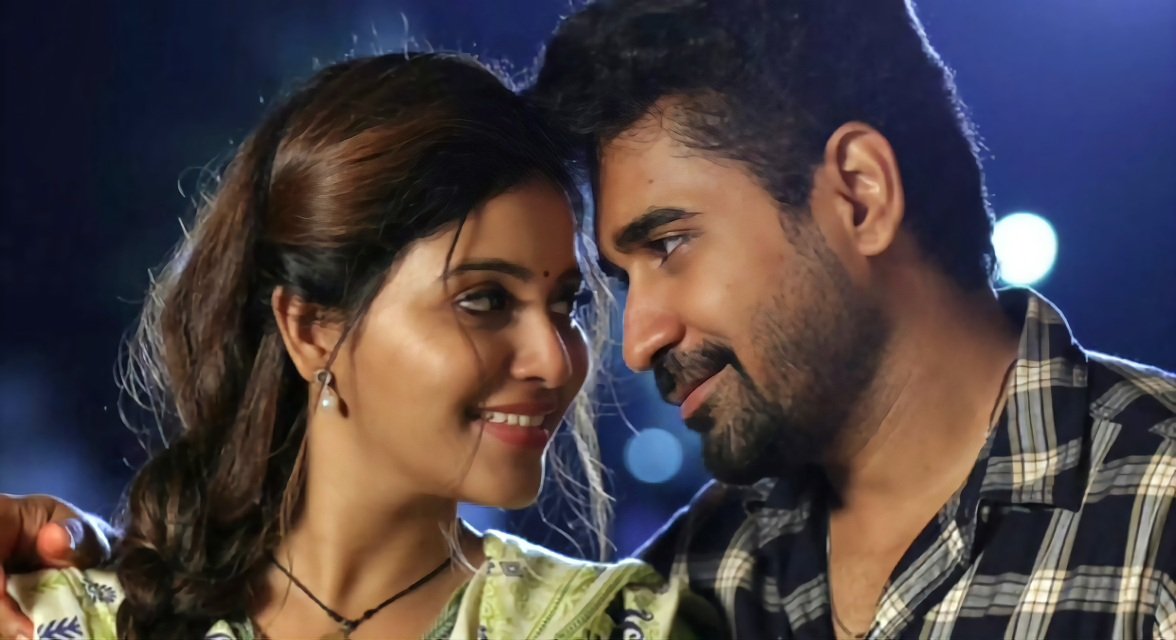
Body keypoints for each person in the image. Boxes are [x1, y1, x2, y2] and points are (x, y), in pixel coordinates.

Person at [4, 0, 1176, 638]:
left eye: (667, 245)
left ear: (859, 193)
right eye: (605, 281)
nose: (615, 345)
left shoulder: (1158, 504)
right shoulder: (706, 572)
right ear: (309, 327)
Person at [0, 52, 716, 640]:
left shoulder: (613, 626)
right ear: (311, 328)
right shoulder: (61, 619)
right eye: (485, 300)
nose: (556, 360)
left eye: (566, 305)